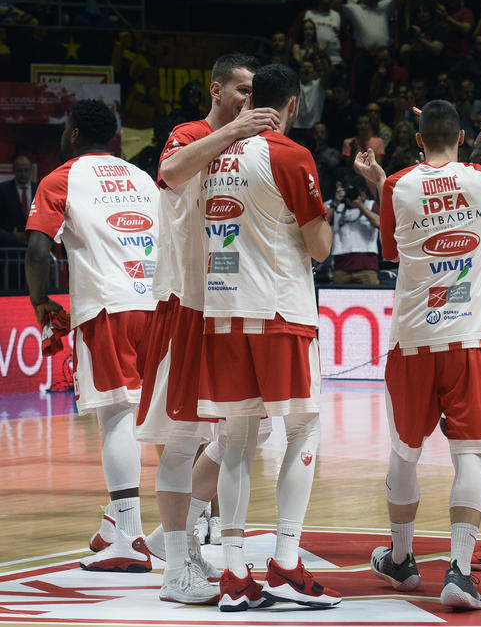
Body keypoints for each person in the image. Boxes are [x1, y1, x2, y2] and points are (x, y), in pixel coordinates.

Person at [352, 100, 481, 610]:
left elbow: (392, 252)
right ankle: (460, 574)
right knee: (468, 455)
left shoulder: (397, 185)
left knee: (404, 453)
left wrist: (381, 181)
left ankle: (401, 560)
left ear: (418, 140)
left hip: (415, 339)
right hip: (472, 337)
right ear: (462, 137)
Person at [133, 53, 281, 604]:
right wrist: (237, 130)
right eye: (242, 90)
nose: (249, 99)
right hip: (188, 306)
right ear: (217, 90)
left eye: (255, 92)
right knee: (181, 441)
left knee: (254, 429)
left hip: (236, 306)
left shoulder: (253, 149)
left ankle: (176, 532)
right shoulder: (188, 133)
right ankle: (176, 565)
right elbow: (170, 173)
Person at [194, 63, 338, 611]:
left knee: (237, 438)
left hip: (223, 309)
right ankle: (284, 561)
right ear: (294, 106)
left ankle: (234, 575)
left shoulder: (212, 150)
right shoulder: (289, 154)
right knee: (304, 429)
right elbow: (321, 246)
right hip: (279, 310)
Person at [25, 100, 160, 573]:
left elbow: (39, 247)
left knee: (116, 417)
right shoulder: (142, 178)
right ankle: (117, 523)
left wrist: (40, 302)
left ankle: (130, 537)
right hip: (159, 303)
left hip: (109, 305)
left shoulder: (62, 177)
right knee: (159, 418)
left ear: (75, 133)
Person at [327, 177, 381, 284]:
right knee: (337, 299)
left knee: (372, 299)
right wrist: (335, 203)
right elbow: (322, 224)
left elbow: (379, 223)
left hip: (367, 266)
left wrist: (360, 206)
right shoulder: (335, 206)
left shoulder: (370, 205)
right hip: (341, 267)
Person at [0, 154, 36, 247]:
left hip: (34, 247)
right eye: (19, 170)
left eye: (26, 170)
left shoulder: (39, 189)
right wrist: (12, 237)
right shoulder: (3, 190)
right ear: (13, 170)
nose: (23, 174)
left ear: (31, 170)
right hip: (9, 250)